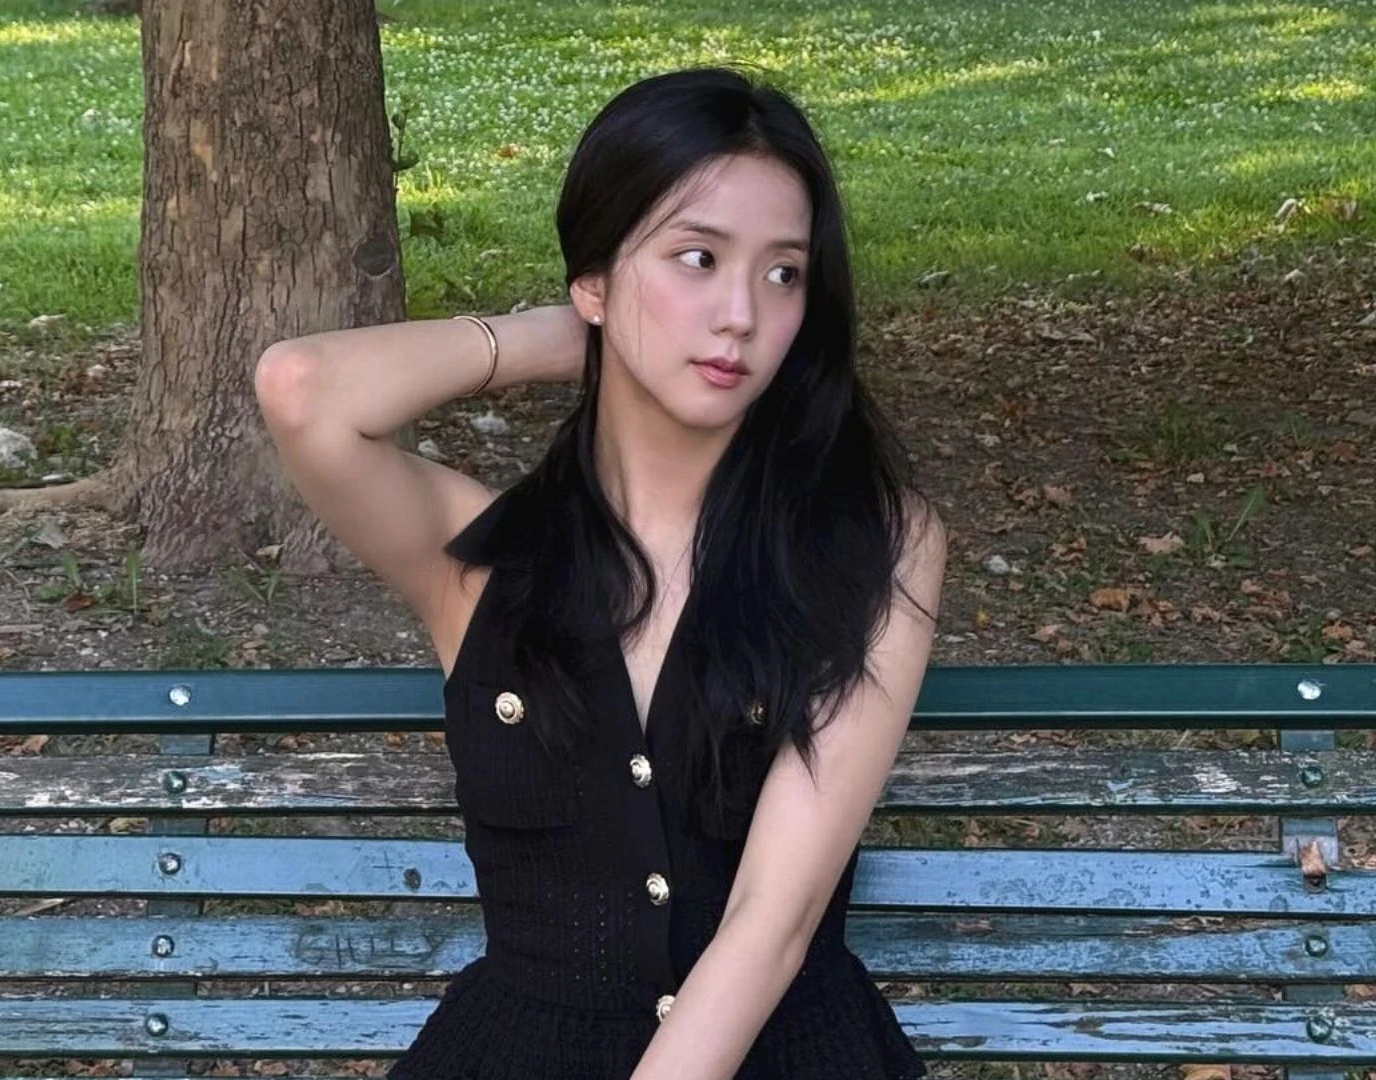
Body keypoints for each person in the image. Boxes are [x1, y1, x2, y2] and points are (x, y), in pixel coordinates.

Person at [254, 66, 944, 1080]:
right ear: (596, 277)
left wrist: (631, 309)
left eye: (784, 274)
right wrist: (572, 332)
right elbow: (301, 388)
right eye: (698, 258)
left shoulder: (870, 544)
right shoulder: (480, 559)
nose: (741, 315)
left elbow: (772, 923)